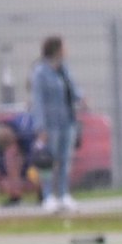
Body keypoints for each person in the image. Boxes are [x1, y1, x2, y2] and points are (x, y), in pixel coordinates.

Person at [30, 35, 82, 214]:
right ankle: (47, 195)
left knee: (65, 159)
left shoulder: (64, 70)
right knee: (47, 161)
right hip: (50, 124)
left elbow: (73, 90)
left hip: (67, 120)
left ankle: (63, 193)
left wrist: (81, 99)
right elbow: (38, 100)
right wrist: (41, 126)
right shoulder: (40, 72)